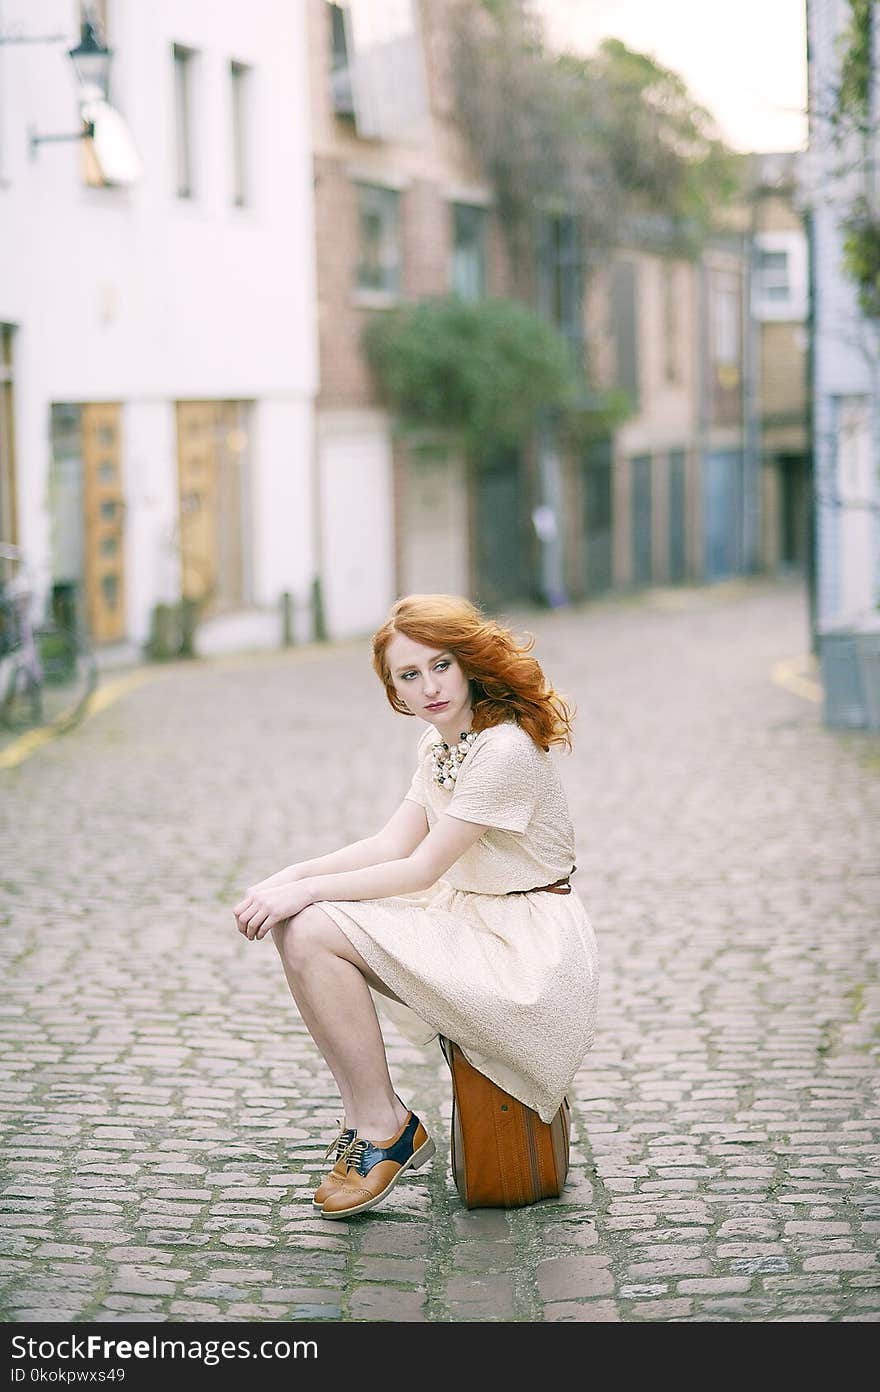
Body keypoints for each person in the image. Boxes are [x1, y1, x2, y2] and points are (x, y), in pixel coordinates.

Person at [233, 593, 599, 1219]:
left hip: (528, 949)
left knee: (313, 922)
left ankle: (386, 1128)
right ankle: (371, 1118)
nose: (428, 686)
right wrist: (290, 876)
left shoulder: (502, 749)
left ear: (469, 665)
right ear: (394, 691)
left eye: (440, 666)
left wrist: (306, 890)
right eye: (409, 675)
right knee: (299, 928)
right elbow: (390, 842)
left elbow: (420, 867)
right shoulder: (439, 745)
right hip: (474, 917)